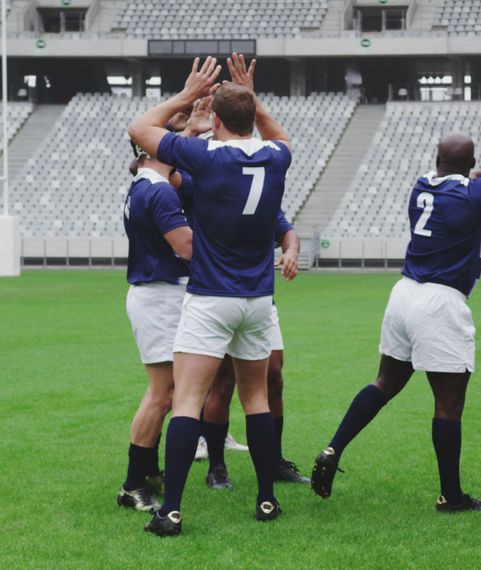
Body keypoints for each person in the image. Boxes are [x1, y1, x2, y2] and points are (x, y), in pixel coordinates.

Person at [309, 68, 481, 513]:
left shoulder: (422, 185)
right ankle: (451, 495)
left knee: (385, 382)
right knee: (448, 404)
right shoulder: (473, 197)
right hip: (440, 303)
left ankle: (334, 447)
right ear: (471, 165)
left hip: (403, 294)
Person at [127, 53, 293, 535]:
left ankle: (172, 510)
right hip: (258, 299)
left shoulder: (204, 155)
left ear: (216, 120)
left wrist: (185, 97)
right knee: (256, 398)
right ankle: (266, 500)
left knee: (188, 400)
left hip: (209, 297)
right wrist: (251, 99)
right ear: (252, 117)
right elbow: (279, 136)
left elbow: (141, 128)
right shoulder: (277, 156)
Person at [200, 210, 310, 490]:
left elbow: (286, 231)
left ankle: (273, 461)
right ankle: (216, 467)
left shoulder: (263, 189)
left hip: (261, 299)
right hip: (223, 297)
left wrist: (291, 251)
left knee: (274, 376)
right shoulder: (218, 188)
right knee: (224, 382)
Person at [116, 144, 193, 515]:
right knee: (162, 393)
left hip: (156, 292)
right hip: (161, 294)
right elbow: (187, 247)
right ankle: (132, 484)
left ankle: (146, 469)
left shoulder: (143, 185)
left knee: (170, 390)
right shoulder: (160, 190)